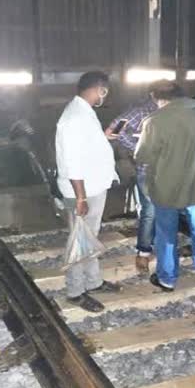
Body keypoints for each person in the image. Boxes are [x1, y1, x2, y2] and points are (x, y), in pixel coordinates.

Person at [135, 81, 195, 291]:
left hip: (168, 185)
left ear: (156, 97)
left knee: (166, 231)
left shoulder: (156, 120)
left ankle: (167, 278)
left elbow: (142, 155)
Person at [55, 71, 122, 312]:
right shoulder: (74, 117)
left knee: (89, 237)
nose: (105, 96)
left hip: (93, 186)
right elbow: (72, 162)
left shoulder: (83, 112)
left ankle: (92, 282)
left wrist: (102, 137)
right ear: (98, 89)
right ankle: (75, 292)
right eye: (105, 91)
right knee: (79, 240)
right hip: (83, 191)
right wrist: (80, 197)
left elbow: (85, 146)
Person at [104, 84, 159, 274]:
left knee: (161, 211)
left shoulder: (172, 111)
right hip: (148, 169)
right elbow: (113, 131)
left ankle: (153, 249)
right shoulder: (141, 111)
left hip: (168, 170)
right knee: (151, 211)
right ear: (152, 93)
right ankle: (143, 252)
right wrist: (137, 147)